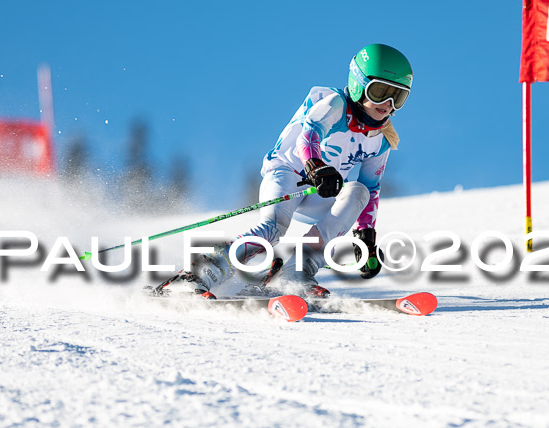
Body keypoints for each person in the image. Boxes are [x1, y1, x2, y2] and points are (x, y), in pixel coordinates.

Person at [172, 43, 413, 298]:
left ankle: (296, 273)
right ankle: (200, 274)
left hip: (321, 190)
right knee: (272, 229)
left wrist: (366, 236)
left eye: (397, 96)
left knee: (359, 191)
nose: (387, 104)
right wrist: (316, 166)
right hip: (287, 173)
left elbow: (372, 188)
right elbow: (309, 136)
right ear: (358, 84)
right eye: (379, 92)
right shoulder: (334, 103)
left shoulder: (382, 138)